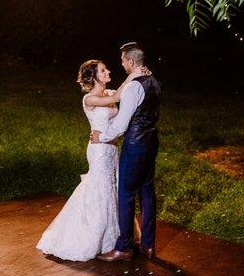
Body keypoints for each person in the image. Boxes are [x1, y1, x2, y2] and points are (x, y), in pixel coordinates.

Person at [36, 59, 147, 261]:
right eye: (103, 70)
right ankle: (89, 238)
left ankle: (115, 238)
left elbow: (124, 100)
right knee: (99, 189)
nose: (108, 71)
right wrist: (132, 75)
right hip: (98, 151)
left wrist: (139, 75)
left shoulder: (108, 93)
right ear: (94, 77)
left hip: (112, 149)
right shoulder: (90, 99)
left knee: (112, 190)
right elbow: (118, 96)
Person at [91, 42, 162, 262]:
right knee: (147, 192)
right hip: (152, 141)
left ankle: (123, 248)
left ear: (131, 62)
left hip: (136, 143)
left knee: (126, 194)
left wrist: (101, 137)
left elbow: (121, 125)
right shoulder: (155, 82)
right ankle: (148, 246)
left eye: (122, 60)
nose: (121, 64)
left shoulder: (133, 88)